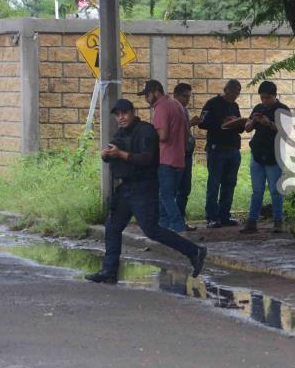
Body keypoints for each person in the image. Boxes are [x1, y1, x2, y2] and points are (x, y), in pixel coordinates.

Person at [85, 99, 207, 284]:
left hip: (144, 188)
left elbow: (147, 159)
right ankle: (109, 271)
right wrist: (107, 155)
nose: (121, 117)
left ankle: (194, 251)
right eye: (117, 114)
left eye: (124, 113)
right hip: (126, 188)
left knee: (152, 230)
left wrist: (121, 154)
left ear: (133, 112)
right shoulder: (121, 132)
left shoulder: (146, 131)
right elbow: (115, 152)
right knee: (112, 227)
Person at [138, 79, 189, 233]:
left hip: (166, 159)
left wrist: (147, 137)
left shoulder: (161, 107)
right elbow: (186, 133)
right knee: (167, 196)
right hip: (179, 159)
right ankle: (162, 229)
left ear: (155, 92)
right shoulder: (177, 105)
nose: (146, 99)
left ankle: (179, 228)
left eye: (147, 95)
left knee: (166, 196)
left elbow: (163, 135)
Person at [240, 81, 290, 234]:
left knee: (275, 190)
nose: (264, 101)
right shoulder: (258, 108)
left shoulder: (283, 110)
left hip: (273, 155)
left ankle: (278, 221)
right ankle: (252, 221)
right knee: (257, 190)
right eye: (262, 98)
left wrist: (270, 124)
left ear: (275, 95)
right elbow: (247, 128)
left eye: (267, 98)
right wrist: (251, 122)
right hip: (257, 154)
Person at [198, 79, 244, 228]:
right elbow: (202, 123)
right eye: (233, 92)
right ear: (226, 90)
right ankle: (211, 217)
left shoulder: (234, 106)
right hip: (217, 148)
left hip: (233, 148)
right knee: (214, 183)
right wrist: (221, 123)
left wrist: (237, 122)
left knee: (229, 183)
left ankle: (225, 215)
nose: (235, 96)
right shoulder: (212, 103)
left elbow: (240, 128)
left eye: (238, 93)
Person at [173, 82, 200, 231]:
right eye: (184, 96)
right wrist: (190, 123)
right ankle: (174, 221)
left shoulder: (183, 109)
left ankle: (180, 219)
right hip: (177, 155)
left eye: (189, 97)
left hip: (186, 153)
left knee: (184, 189)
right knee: (175, 189)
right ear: (176, 95)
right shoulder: (173, 109)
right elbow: (174, 130)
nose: (187, 100)